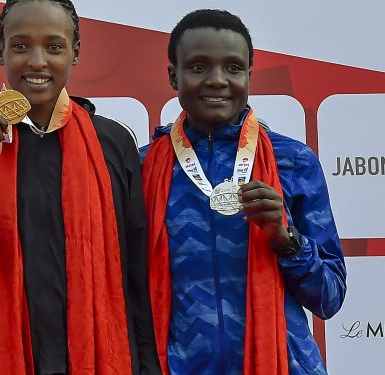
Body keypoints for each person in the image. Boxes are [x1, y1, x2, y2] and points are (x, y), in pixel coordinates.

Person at [0, 1, 161, 374]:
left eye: (54, 47)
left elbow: (136, 278)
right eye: (21, 46)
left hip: (104, 358)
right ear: (0, 50)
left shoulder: (113, 143)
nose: (37, 61)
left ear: (76, 52)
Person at [140, 9, 346, 375]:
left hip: (282, 365)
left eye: (233, 68)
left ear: (249, 76)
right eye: (199, 66)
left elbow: (330, 298)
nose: (218, 80)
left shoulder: (292, 161)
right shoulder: (141, 167)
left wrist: (286, 238)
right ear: (173, 75)